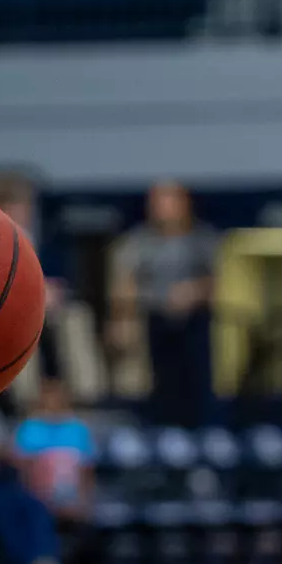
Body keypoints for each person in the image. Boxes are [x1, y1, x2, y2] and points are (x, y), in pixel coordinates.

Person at [111, 179, 218, 428]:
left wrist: (193, 291)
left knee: (196, 377)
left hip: (196, 320)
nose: (161, 208)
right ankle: (157, 429)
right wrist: (121, 318)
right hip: (152, 318)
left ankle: (201, 431)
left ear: (184, 204)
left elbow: (220, 281)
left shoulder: (203, 238)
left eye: (168, 201)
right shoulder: (138, 241)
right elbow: (124, 281)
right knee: (158, 382)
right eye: (157, 202)